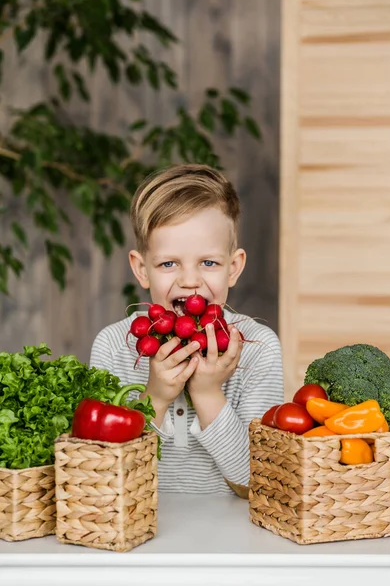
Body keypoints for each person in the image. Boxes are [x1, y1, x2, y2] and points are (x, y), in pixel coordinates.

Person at [90, 164, 284, 494]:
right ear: (142, 269)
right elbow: (103, 479)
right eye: (169, 263)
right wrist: (156, 396)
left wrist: (208, 393)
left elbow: (255, 484)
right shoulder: (112, 345)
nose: (190, 281)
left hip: (234, 542)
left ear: (233, 268)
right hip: (136, 534)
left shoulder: (259, 348)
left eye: (208, 263)